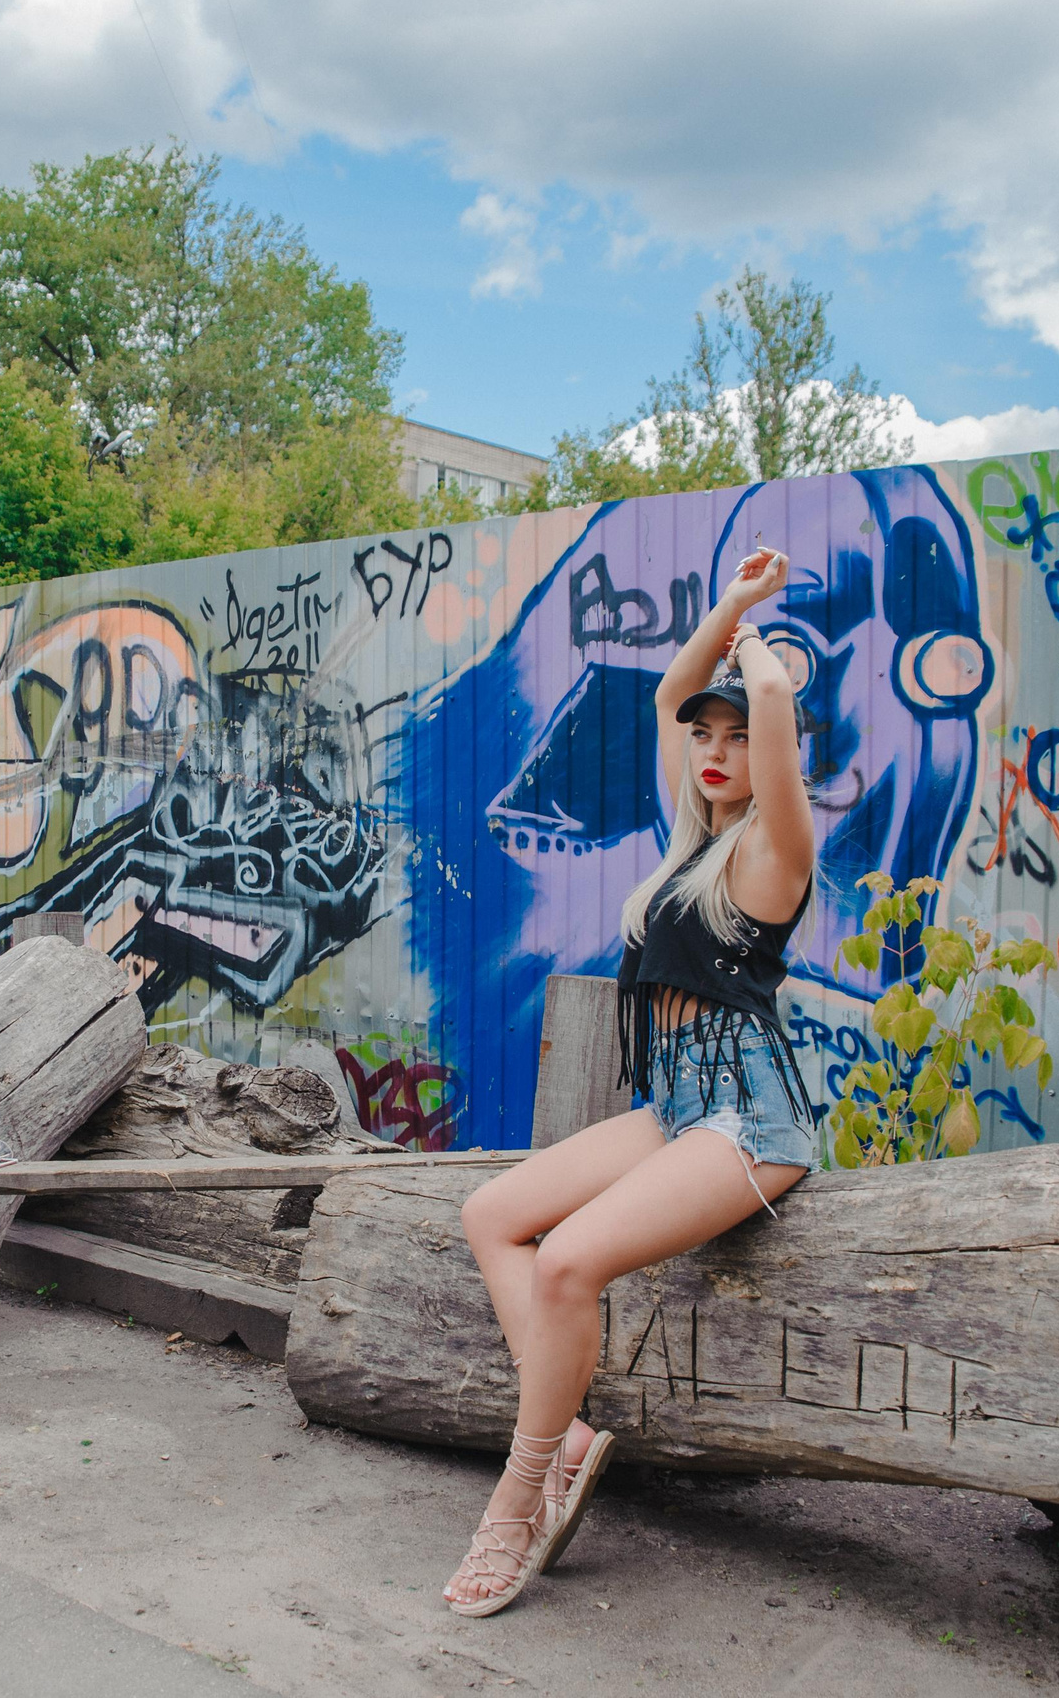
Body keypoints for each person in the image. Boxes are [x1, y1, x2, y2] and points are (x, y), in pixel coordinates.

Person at [442, 545, 820, 1617]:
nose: (715, 748)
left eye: (737, 736)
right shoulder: (692, 844)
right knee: (491, 1212)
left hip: (751, 1117)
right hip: (678, 1105)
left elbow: (775, 729)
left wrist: (765, 673)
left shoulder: (775, 847)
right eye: (707, 734)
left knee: (566, 1263)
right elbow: (663, 693)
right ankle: (562, 1430)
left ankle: (518, 1498)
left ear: (772, 752)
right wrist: (733, 605)